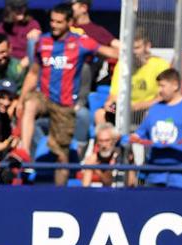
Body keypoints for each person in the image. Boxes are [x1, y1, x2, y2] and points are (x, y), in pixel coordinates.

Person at [19, 3, 119, 187]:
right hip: (44, 97)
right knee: (30, 103)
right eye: (52, 21)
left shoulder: (81, 42)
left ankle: (60, 192)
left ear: (69, 23)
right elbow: (33, 73)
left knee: (62, 157)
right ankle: (24, 151)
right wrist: (20, 100)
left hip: (64, 105)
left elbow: (112, 52)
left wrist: (131, 53)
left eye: (59, 22)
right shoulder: (43, 42)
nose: (54, 25)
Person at [98, 32, 167, 132]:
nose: (133, 52)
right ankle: (111, 140)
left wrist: (139, 106)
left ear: (147, 46)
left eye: (137, 48)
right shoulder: (122, 64)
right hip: (124, 109)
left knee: (151, 113)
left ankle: (141, 138)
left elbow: (163, 97)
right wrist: (110, 104)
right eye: (130, 48)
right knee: (100, 114)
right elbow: (114, 95)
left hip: (149, 108)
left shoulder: (160, 64)